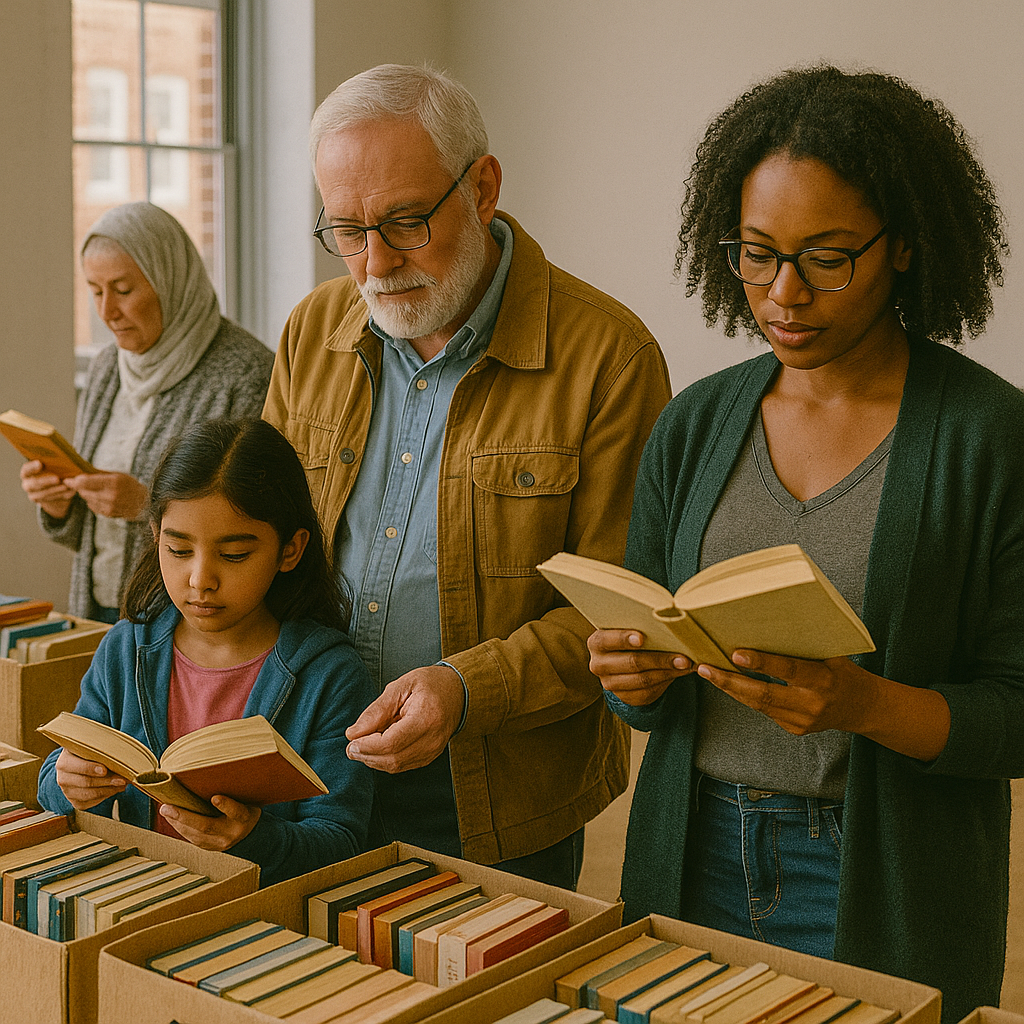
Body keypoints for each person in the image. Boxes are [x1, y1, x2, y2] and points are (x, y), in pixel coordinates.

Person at [587, 66, 1022, 1019]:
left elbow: (1016, 712)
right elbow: (655, 699)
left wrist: (864, 704)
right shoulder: (697, 426)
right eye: (755, 253)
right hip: (691, 849)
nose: (784, 293)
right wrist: (633, 680)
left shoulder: (987, 435)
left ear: (905, 244)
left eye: (829, 258)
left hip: (877, 874)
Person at [263, 63, 672, 888]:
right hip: (309, 774)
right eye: (345, 230)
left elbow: (620, 615)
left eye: (407, 222)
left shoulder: (607, 358)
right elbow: (262, 541)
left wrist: (463, 689)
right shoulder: (312, 330)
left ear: (482, 188)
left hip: (495, 798)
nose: (375, 263)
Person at [37, 418, 376, 887]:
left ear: (290, 549)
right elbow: (57, 770)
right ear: (155, 535)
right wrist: (66, 783)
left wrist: (253, 836)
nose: (200, 579)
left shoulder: (329, 673)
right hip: (139, 895)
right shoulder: (126, 647)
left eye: (234, 555)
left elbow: (340, 842)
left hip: (254, 917)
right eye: (178, 549)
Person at [21, 202, 274, 622]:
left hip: (190, 623)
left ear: (169, 280)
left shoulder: (245, 372)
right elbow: (93, 528)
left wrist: (146, 505)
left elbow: (254, 523)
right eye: (95, 291)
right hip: (99, 610)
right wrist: (59, 504)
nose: (106, 313)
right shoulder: (107, 367)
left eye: (122, 290)